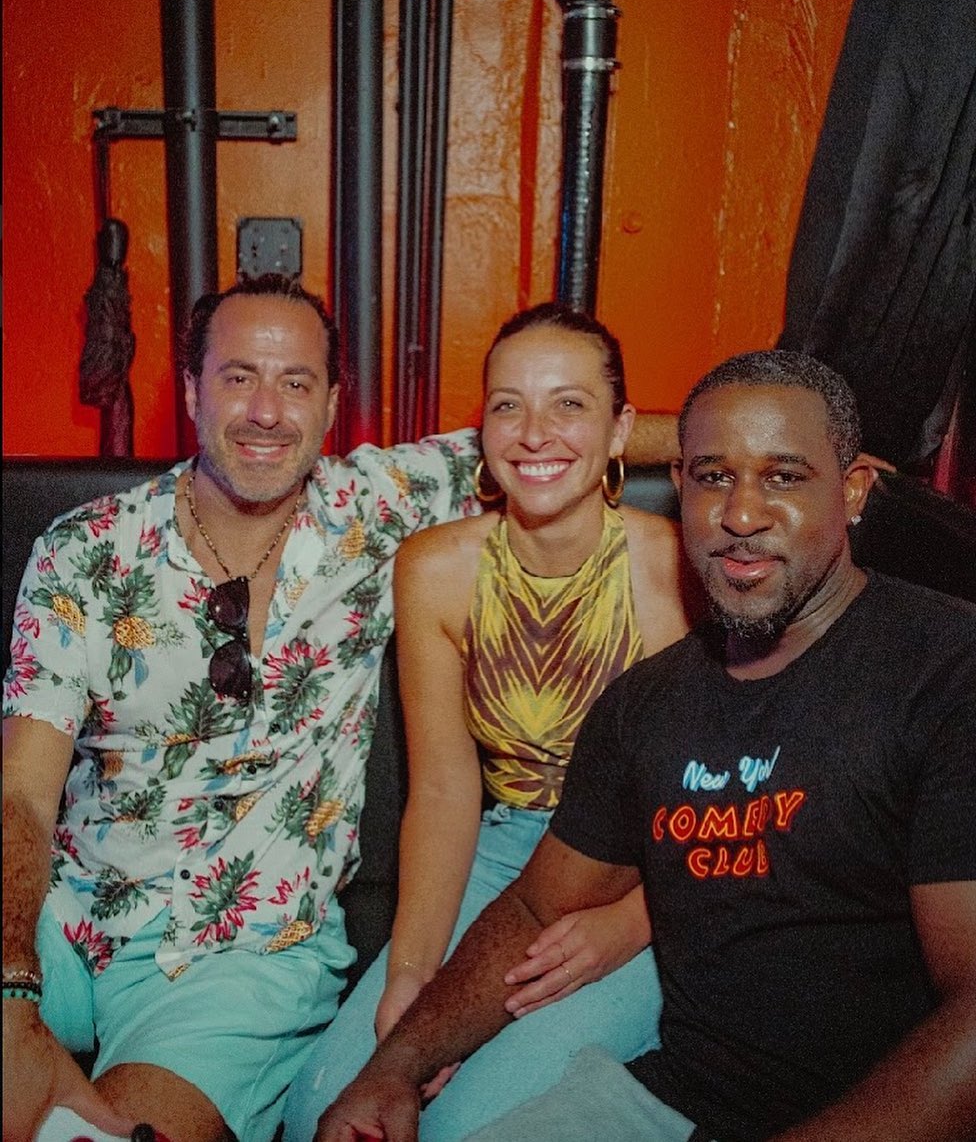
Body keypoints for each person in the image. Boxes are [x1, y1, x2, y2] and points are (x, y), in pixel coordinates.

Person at [1, 276, 678, 1142]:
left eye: (295, 382)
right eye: (239, 376)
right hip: (66, 909)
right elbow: (21, 794)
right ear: (192, 390)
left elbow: (553, 436)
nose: (266, 411)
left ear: (330, 406)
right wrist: (13, 992)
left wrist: (755, 454)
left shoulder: (377, 507)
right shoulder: (84, 549)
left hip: (244, 950)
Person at [315, 350, 976, 1142]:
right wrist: (394, 1067)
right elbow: (534, 907)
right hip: (675, 1102)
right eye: (714, 477)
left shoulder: (947, 670)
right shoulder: (647, 703)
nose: (742, 514)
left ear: (854, 490)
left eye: (784, 477)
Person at [284, 305, 694, 1141]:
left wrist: (630, 925)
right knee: (322, 1108)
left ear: (621, 429)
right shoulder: (436, 569)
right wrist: (411, 974)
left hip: (651, 875)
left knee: (465, 1124)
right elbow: (443, 790)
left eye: (569, 404)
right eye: (510, 405)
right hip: (503, 854)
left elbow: (716, 804)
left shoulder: (675, 568)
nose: (535, 433)